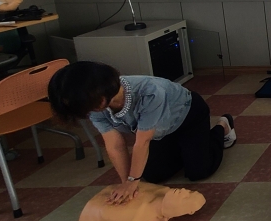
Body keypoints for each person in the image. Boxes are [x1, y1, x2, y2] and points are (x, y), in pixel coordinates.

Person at [48, 61, 236, 203]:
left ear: (100, 93)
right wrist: (126, 183)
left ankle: (222, 126)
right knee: (154, 176)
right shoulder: (95, 106)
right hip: (159, 131)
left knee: (199, 170)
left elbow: (142, 142)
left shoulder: (149, 92)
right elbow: (114, 144)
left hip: (189, 116)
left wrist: (132, 181)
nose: (87, 112)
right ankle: (185, 148)